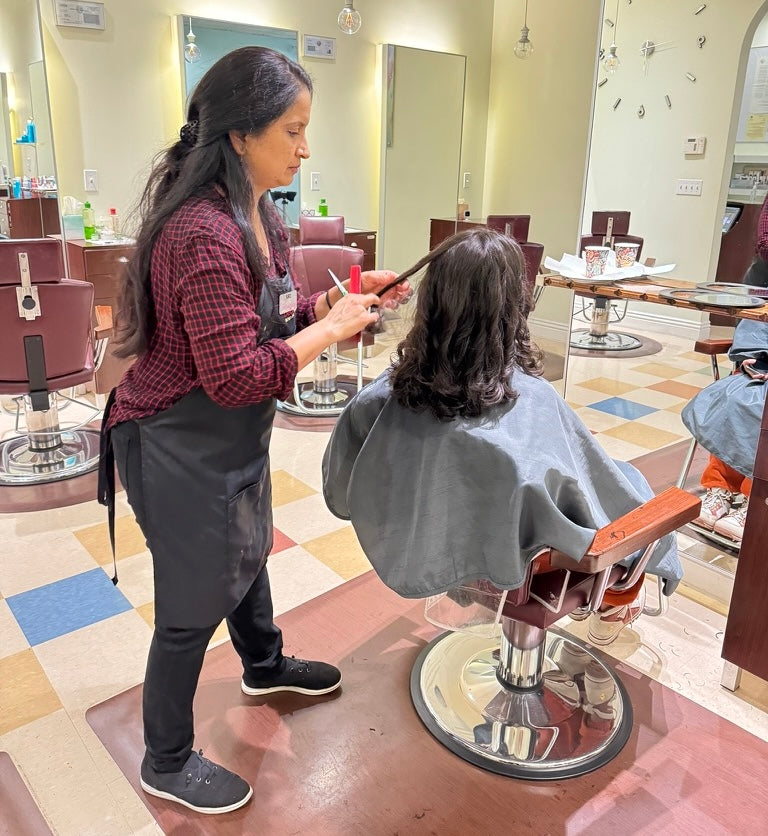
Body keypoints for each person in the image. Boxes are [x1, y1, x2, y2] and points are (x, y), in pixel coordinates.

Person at [97, 46, 409, 815]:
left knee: (247, 546)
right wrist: (326, 334)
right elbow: (236, 374)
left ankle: (263, 663)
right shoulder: (202, 231)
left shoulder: (258, 211)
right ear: (240, 134)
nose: (306, 148)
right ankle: (164, 758)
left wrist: (336, 313)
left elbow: (265, 319)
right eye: (293, 130)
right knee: (189, 605)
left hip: (230, 438)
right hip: (173, 440)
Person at [322, 228, 681, 648]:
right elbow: (588, 502)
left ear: (432, 300)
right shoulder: (536, 400)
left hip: (430, 546)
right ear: (514, 305)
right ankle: (618, 602)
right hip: (531, 570)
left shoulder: (383, 395)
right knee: (628, 483)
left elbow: (343, 485)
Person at [682, 318, 768, 544]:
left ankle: (755, 500)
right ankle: (720, 488)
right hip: (759, 367)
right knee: (730, 402)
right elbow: (755, 322)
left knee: (761, 410)